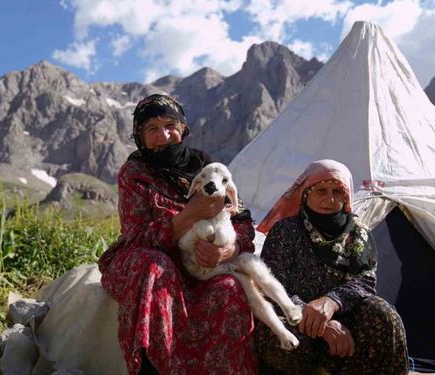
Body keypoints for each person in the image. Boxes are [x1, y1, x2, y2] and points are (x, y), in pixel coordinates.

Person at [98, 94, 258, 375]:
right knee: (155, 267)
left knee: (230, 289)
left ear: (183, 128)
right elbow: (136, 237)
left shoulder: (207, 168)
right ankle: (152, 369)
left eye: (171, 125)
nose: (163, 135)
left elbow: (243, 223)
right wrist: (190, 215)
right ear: (140, 135)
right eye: (152, 129)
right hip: (147, 264)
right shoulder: (134, 174)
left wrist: (227, 251)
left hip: (198, 269)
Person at [254, 159, 409, 375]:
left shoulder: (357, 233)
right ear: (306, 194)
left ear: (346, 196)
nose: (330, 199)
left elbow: (364, 282)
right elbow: (273, 288)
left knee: (384, 314)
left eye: (338, 191)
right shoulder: (285, 231)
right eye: (321, 191)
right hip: (296, 317)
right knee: (272, 332)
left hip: (344, 316)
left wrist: (332, 302)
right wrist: (316, 321)